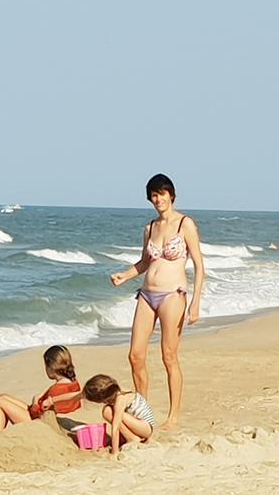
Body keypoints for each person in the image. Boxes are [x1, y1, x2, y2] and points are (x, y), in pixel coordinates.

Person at [108, 173, 205, 429]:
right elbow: (144, 262)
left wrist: (195, 303)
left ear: (171, 195)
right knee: (135, 356)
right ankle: (143, 412)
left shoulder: (185, 224)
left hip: (173, 295)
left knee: (169, 356)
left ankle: (173, 416)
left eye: (161, 193)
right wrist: (124, 276)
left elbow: (199, 265)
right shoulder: (149, 227)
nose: (157, 199)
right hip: (147, 295)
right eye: (153, 195)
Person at [0, 345, 82, 432]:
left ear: (51, 367)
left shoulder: (58, 389)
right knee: (3, 397)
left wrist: (35, 403)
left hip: (39, 423)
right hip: (42, 419)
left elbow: (41, 413)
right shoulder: (72, 382)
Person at [82, 373, 155, 456]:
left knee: (109, 412)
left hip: (145, 427)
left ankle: (132, 438)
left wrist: (114, 451)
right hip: (139, 424)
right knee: (109, 411)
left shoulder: (120, 399)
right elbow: (79, 395)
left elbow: (115, 427)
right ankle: (131, 437)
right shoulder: (117, 391)